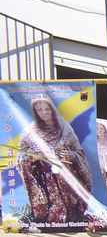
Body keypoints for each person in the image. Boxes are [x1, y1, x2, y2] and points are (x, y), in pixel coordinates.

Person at [18, 96, 94, 226]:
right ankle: (44, 211)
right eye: (40, 109)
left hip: (66, 175)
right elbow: (21, 156)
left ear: (52, 109)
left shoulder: (64, 128)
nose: (44, 112)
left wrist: (70, 156)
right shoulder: (29, 132)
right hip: (44, 179)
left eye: (47, 109)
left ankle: (73, 212)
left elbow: (79, 152)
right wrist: (34, 157)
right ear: (35, 111)